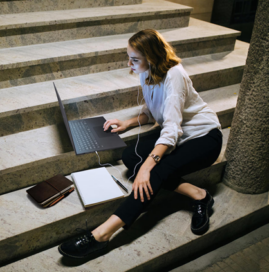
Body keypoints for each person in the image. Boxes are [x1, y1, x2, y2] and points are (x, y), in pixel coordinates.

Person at [58, 29, 223, 259]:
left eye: (135, 59)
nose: (130, 63)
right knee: (129, 156)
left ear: (152, 57)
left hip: (204, 137)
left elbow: (172, 128)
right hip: (178, 136)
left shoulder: (174, 75)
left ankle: (102, 234)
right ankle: (199, 194)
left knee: (155, 169)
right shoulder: (146, 72)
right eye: (129, 57)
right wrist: (127, 123)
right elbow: (152, 112)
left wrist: (147, 166)